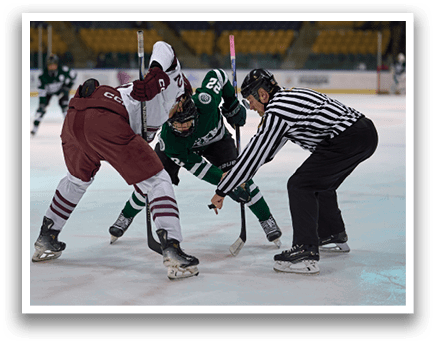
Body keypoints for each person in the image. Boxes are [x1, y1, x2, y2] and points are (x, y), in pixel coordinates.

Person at [32, 41, 200, 280]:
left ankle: (46, 237)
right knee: (158, 179)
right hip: (105, 116)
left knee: (76, 180)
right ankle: (172, 248)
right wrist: (155, 75)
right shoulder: (175, 83)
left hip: (77, 115)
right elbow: (164, 47)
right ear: (183, 98)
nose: (180, 116)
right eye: (183, 108)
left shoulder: (161, 115)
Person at [210, 69, 378, 275]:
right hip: (364, 132)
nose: (251, 106)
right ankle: (332, 234)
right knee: (319, 182)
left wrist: (223, 189)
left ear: (263, 94)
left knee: (300, 185)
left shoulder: (278, 111)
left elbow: (255, 155)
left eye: (250, 100)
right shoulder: (290, 98)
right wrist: (237, 173)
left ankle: (305, 253)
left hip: (347, 138)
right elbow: (267, 151)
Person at [108, 69, 282, 247]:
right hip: (182, 151)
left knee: (242, 178)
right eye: (177, 124)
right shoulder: (170, 140)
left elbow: (218, 75)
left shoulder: (205, 102)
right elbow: (200, 168)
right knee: (150, 182)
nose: (183, 128)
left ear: (195, 114)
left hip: (218, 142)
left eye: (187, 123)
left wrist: (231, 103)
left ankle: (266, 219)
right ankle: (126, 215)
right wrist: (225, 185)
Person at [31, 54, 77, 136]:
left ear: (57, 64)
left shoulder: (64, 70)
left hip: (61, 91)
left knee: (65, 108)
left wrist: (67, 87)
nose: (52, 67)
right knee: (40, 110)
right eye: (50, 65)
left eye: (54, 64)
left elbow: (74, 75)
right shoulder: (42, 76)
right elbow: (42, 91)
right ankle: (34, 128)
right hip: (47, 93)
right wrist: (42, 103)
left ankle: (71, 129)